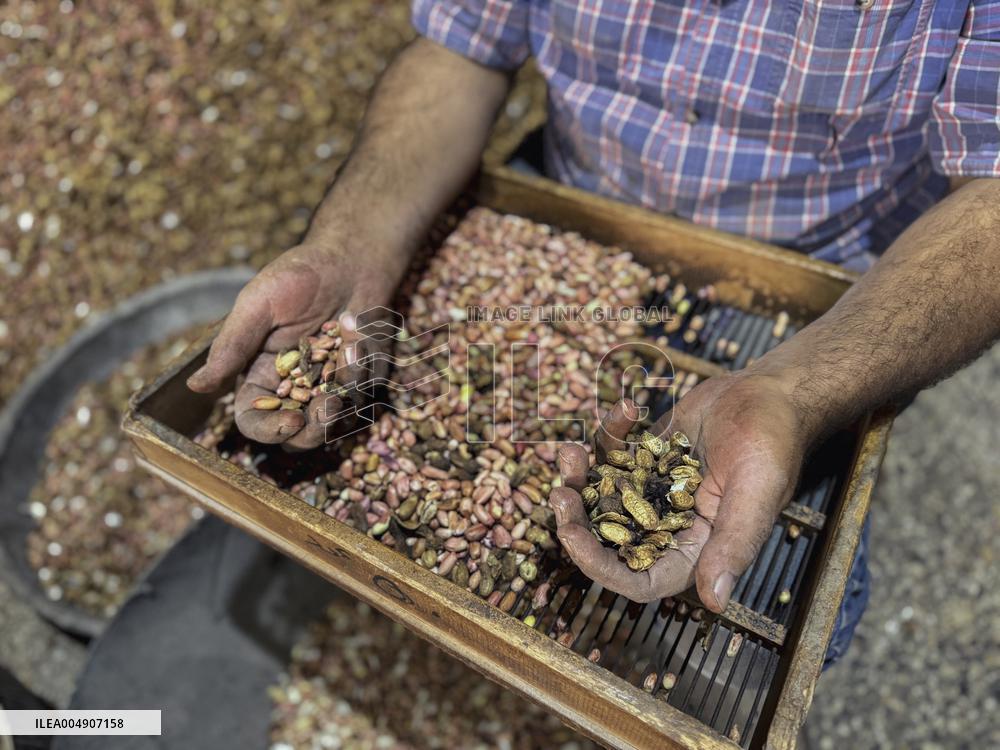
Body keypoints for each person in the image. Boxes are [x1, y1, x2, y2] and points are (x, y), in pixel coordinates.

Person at [187, 1, 1000, 665]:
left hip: (816, 287)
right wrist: (351, 244)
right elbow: (462, 49)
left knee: (745, 624)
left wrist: (796, 389)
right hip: (572, 194)